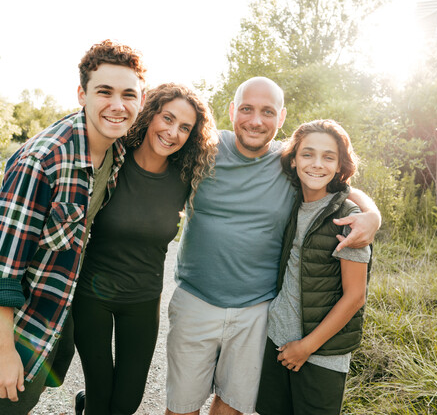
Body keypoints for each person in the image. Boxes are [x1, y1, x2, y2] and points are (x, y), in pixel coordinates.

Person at [165, 77, 381, 415]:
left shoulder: (288, 159)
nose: (255, 120)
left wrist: (372, 214)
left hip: (256, 311)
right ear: (233, 111)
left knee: (233, 405)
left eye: (267, 112)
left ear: (280, 118)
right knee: (181, 406)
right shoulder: (203, 149)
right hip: (195, 300)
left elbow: (338, 184)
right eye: (247, 109)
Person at [0, 39, 146, 414]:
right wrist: (4, 352)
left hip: (55, 310)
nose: (118, 105)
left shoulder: (117, 152)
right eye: (104, 92)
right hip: (14, 326)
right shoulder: (44, 160)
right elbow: (3, 270)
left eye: (129, 94)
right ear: (82, 94)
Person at [71, 83, 218, 415]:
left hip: (142, 297)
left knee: (126, 402)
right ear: (150, 114)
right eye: (167, 118)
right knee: (100, 395)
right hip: (92, 295)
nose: (172, 132)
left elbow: (265, 156)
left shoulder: (186, 176)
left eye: (185, 127)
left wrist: (363, 208)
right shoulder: (112, 158)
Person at [256, 119, 371, 415]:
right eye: (307, 154)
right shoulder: (290, 202)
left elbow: (355, 296)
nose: (317, 164)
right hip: (276, 340)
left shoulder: (350, 217)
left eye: (328, 156)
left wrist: (306, 346)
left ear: (340, 164)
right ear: (293, 160)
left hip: (322, 353)